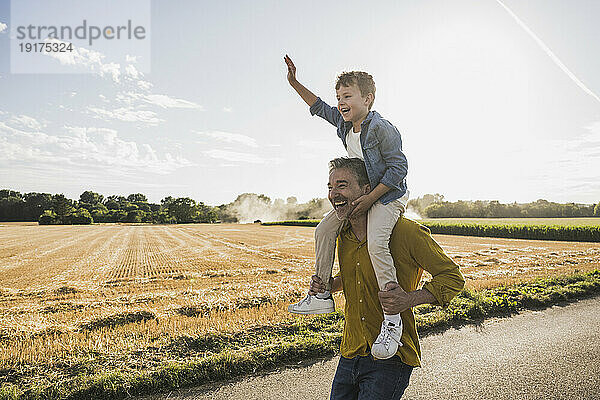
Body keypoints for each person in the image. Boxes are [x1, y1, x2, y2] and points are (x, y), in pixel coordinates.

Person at [285, 55, 410, 359]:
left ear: (368, 98)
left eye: (348, 96)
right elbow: (318, 107)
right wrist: (293, 82)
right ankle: (322, 294)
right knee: (324, 229)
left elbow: (398, 169)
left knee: (376, 244)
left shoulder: (382, 128)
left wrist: (370, 199)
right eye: (339, 96)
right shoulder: (344, 123)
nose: (341, 102)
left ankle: (392, 320)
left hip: (388, 195)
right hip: (361, 195)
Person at [313, 157, 465, 399]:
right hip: (351, 350)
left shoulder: (406, 232)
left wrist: (410, 299)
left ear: (366, 190)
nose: (333, 194)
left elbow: (452, 278)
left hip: (391, 357)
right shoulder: (342, 234)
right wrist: (330, 286)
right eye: (330, 187)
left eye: (342, 185)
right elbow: (357, 273)